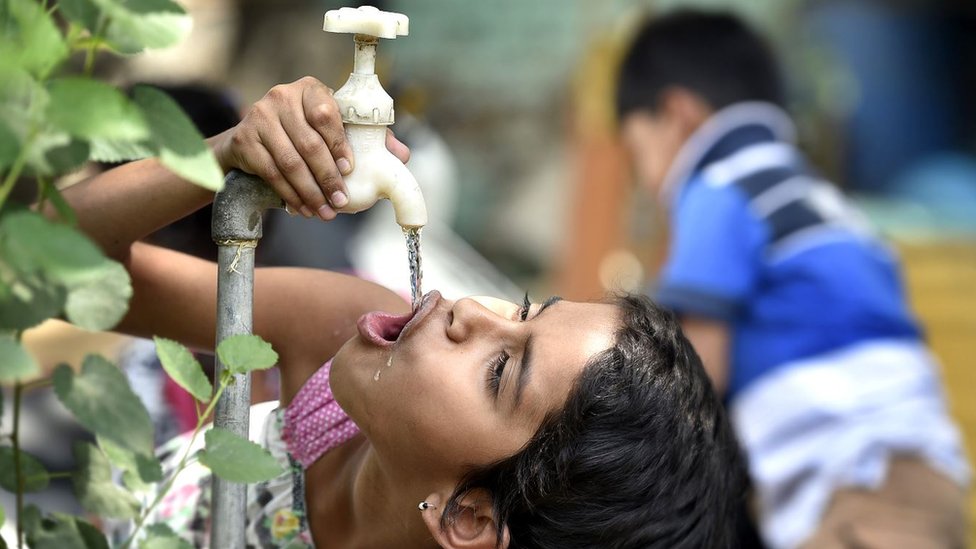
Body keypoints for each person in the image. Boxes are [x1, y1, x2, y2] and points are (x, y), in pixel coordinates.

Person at [57, 77, 744, 548]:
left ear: (469, 517)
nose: (471, 310)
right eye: (525, 310)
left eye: (501, 367)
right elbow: (47, 264)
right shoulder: (336, 347)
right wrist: (224, 157)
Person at [615, 10, 970, 549]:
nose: (645, 180)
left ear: (676, 114)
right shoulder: (817, 193)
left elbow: (695, 369)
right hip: (922, 472)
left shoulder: (716, 185)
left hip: (852, 483)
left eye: (637, 153)